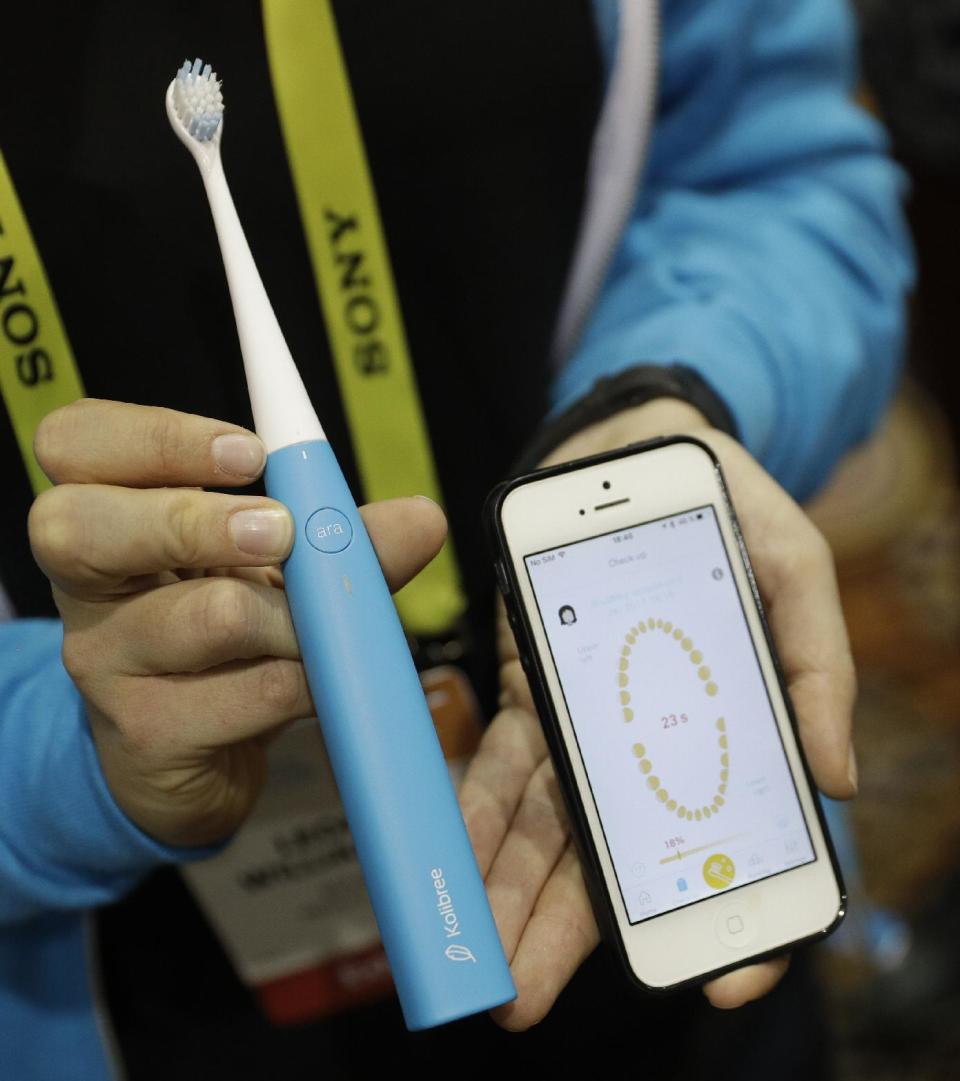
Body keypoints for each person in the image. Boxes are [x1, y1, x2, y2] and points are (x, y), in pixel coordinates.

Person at [0, 1, 912, 1078]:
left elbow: (779, 175)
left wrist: (661, 398)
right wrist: (63, 761)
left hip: (660, 892)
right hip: (133, 999)